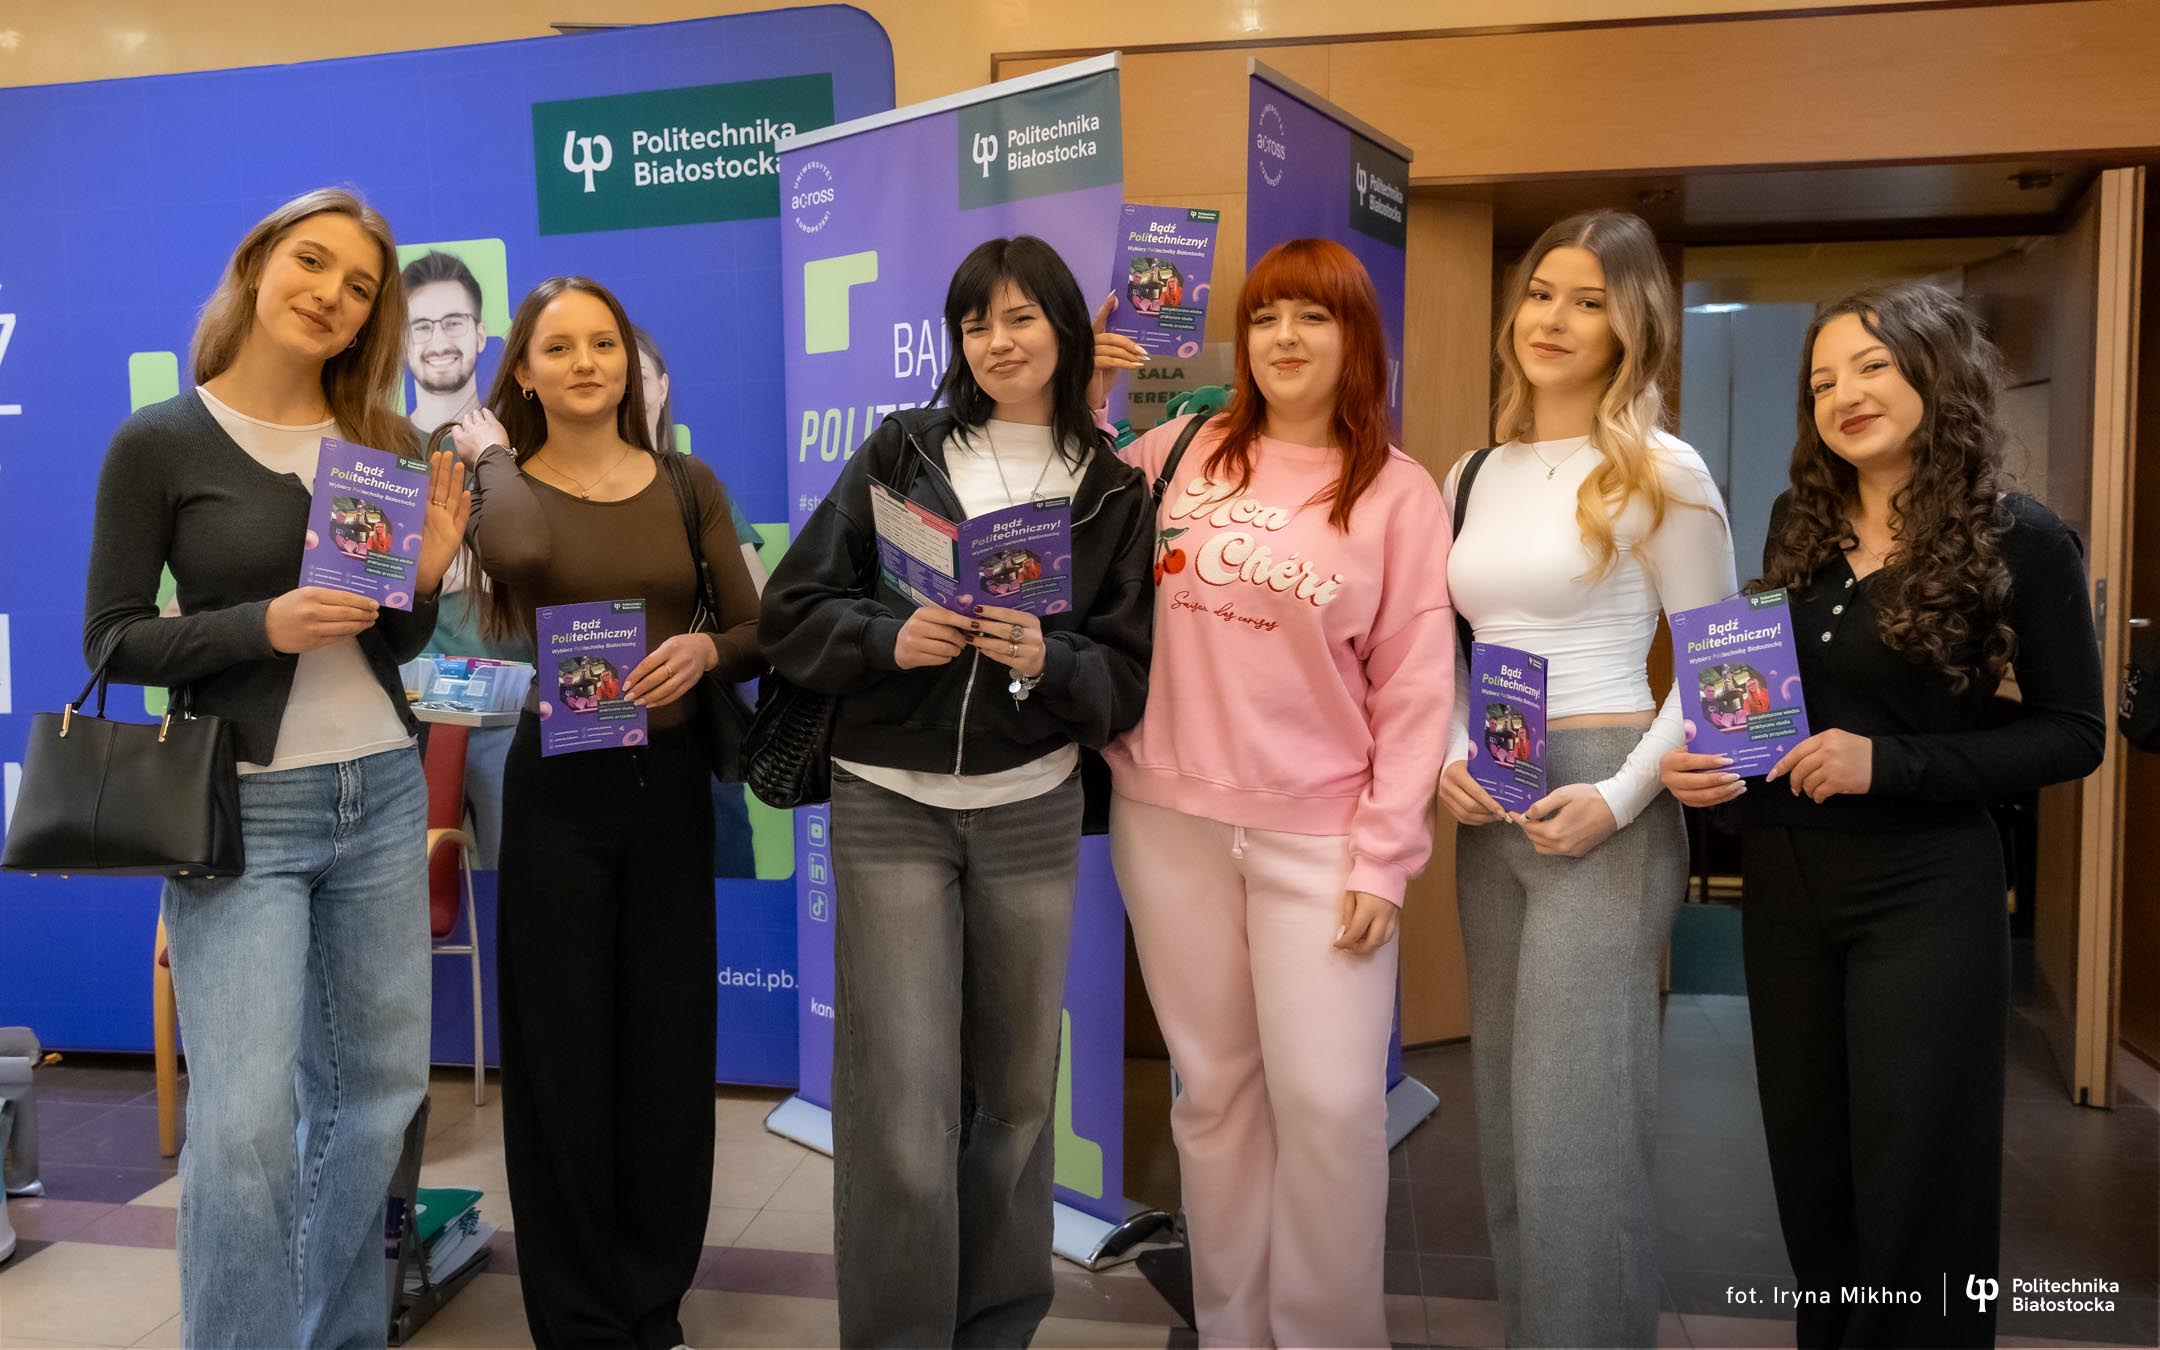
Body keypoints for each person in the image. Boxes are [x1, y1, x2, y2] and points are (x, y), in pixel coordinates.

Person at [1660, 282, 2106, 1349]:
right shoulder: (1799, 521)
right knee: (1812, 1175)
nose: (1845, 395)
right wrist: (1715, 764)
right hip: (1786, 884)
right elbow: (1774, 708)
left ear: (1934, 372)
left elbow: (2074, 734)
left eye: (1872, 366)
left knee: (1919, 1184)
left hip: (1925, 892)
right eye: (1822, 381)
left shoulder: (2022, 539)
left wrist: (1890, 763)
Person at [81, 186, 468, 1350]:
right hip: (242, 812)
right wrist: (264, 625)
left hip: (382, 794)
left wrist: (425, 581)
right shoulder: (160, 441)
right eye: (312, 262)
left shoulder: (384, 442)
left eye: (359, 287)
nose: (331, 295)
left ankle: (336, 1336)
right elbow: (111, 641)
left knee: (376, 1103)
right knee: (245, 1127)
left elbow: (391, 640)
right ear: (256, 264)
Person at [761, 235, 1153, 1348]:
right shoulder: (903, 450)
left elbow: (1124, 681)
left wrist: (1046, 657)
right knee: (902, 1108)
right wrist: (887, 640)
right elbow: (793, 609)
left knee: (1018, 1100)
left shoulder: (1115, 490)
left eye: (1022, 318)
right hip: (888, 803)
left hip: (1031, 810)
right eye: (978, 323)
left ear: (1067, 330)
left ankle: (996, 1328)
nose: (998, 342)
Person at [1100, 237, 1453, 1349]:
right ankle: (1233, 1331)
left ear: (1357, 339)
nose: (1285, 338)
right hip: (1167, 820)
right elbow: (1065, 521)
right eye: (1264, 317)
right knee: (1214, 1096)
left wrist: (1386, 859)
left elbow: (1416, 690)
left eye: (1314, 316)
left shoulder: (1399, 492)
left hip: (1323, 840)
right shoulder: (1180, 449)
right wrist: (1091, 393)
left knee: (1333, 1109)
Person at [1435, 208, 1736, 1348]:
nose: (1553, 319)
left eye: (1589, 301)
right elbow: (1448, 648)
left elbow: (1719, 670)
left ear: (1631, 326)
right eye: (1540, 293)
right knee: (1513, 1129)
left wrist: (1618, 799)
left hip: (1608, 793)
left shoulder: (1662, 468)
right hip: (1495, 797)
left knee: (1580, 1141)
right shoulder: (1474, 472)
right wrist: (1450, 750)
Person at [448, 275, 765, 1350]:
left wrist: (705, 650)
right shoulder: (502, 486)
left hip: (668, 792)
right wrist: (496, 455)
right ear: (525, 372)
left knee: (667, 1059)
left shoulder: (686, 481)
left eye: (604, 344)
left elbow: (757, 631)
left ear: (631, 363)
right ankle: (580, 1318)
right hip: (557, 796)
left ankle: (651, 1303)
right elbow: (520, 556)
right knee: (562, 1065)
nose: (586, 363)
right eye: (559, 348)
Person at [633, 323, 764, 878]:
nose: (625, 391)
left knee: (719, 892)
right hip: (591, 730)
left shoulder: (696, 488)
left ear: (663, 387)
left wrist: (707, 647)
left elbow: (759, 614)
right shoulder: (551, 493)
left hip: (695, 725)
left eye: (638, 377)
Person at [403, 249, 488, 435]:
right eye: (421, 327)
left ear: (480, 336)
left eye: (454, 323)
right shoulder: (376, 445)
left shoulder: (517, 439)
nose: (439, 344)